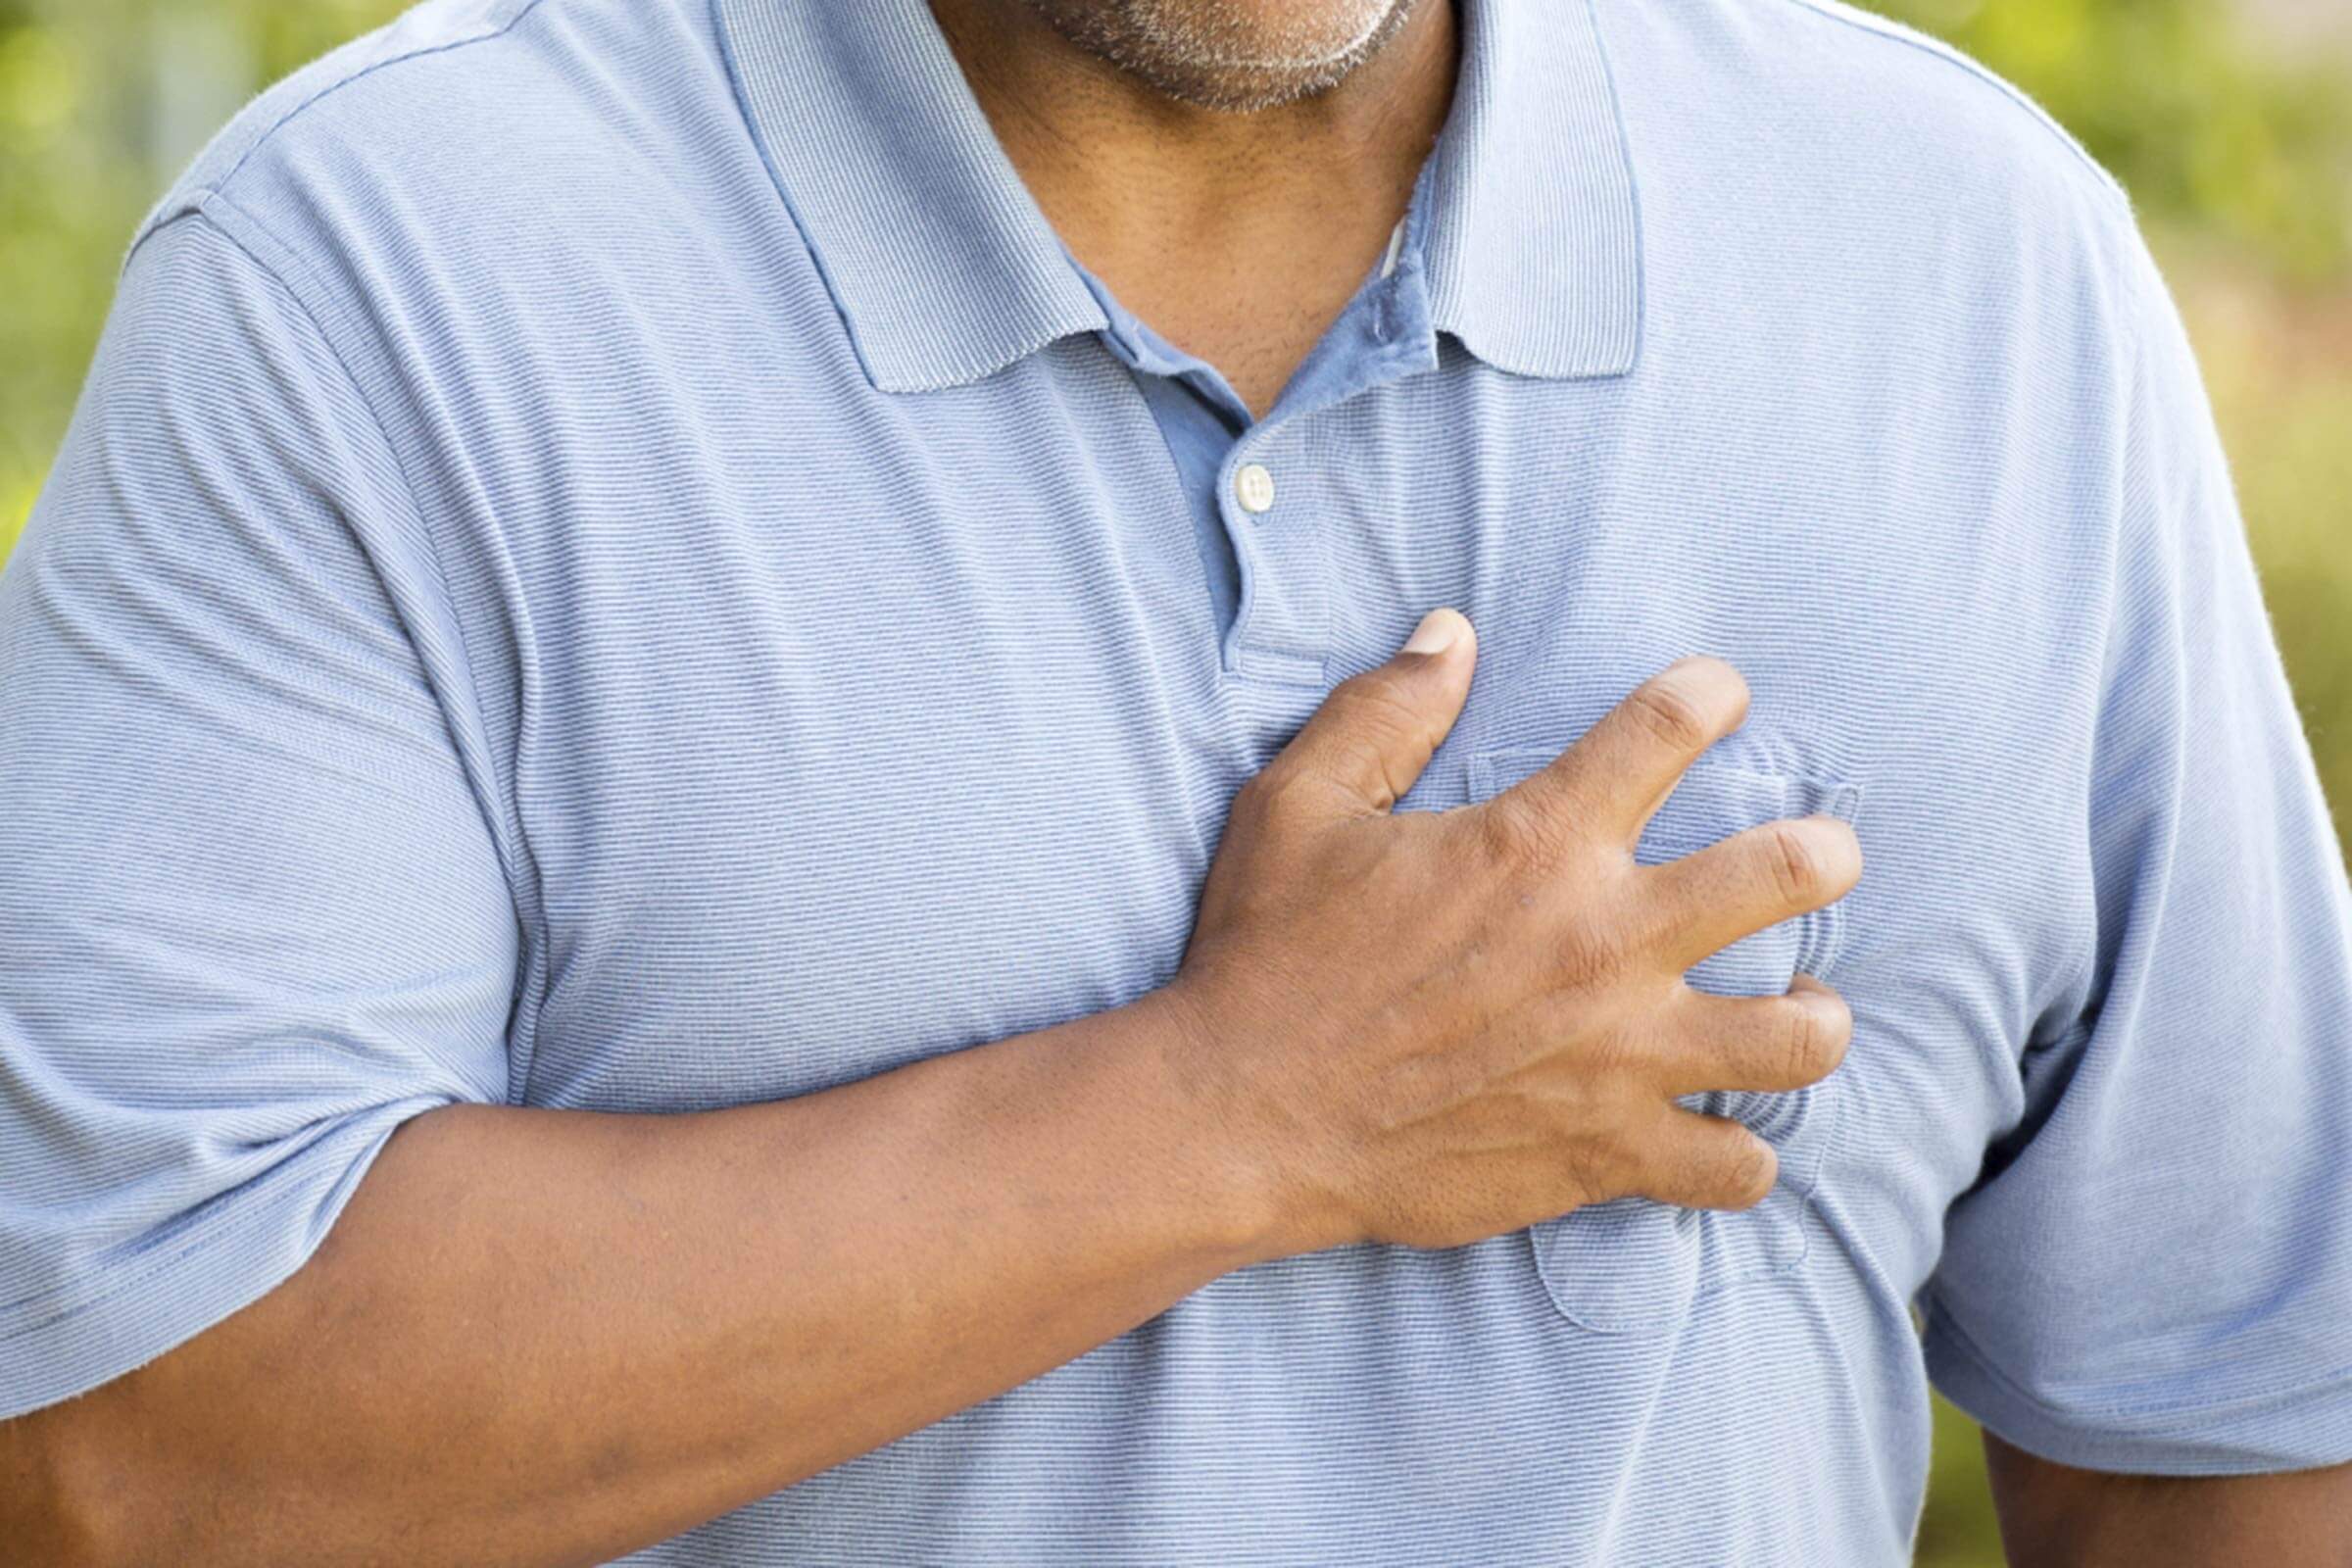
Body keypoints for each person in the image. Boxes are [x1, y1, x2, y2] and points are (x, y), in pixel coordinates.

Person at [3, 0, 2348, 1561]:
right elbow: (116, 1432)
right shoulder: (384, 267)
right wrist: (1247, 1113)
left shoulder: (1972, 260)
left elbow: (2238, 1419)